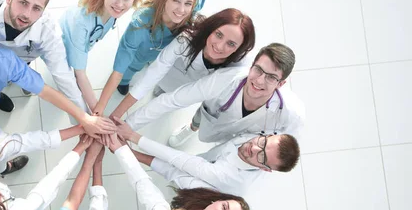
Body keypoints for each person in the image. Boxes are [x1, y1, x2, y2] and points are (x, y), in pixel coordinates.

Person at [124, 43, 305, 147]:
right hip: (210, 113)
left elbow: (285, 146)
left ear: (281, 84)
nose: (259, 81)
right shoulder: (224, 80)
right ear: (251, 66)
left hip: (242, 139)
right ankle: (192, 128)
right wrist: (127, 125)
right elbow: (173, 100)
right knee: (202, 116)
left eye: (271, 77)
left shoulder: (291, 113)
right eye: (258, 70)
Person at [110, 8, 255, 119]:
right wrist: (116, 116)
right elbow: (152, 75)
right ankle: (162, 88)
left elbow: (180, 99)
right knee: (161, 83)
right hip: (171, 72)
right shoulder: (186, 39)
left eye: (231, 44)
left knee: (171, 95)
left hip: (189, 87)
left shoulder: (236, 68)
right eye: (218, 35)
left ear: (239, 49)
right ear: (211, 30)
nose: (220, 47)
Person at [94, 0, 205, 114]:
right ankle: (124, 82)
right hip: (140, 54)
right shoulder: (139, 25)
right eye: (176, 1)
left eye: (188, 3)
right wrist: (100, 108)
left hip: (159, 54)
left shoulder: (191, 11)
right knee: (132, 67)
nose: (182, 10)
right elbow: (118, 70)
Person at [114, 116, 300, 196]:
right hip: (211, 158)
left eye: (262, 157)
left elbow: (180, 162)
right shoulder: (261, 137)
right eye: (263, 142)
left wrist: (132, 142)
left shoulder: (232, 180)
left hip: (203, 184)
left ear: (264, 169)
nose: (254, 149)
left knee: (180, 176)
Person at [59, 0, 142, 112]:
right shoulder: (81, 23)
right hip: (62, 45)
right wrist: (98, 112)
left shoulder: (109, 11)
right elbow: (80, 74)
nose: (120, 4)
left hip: (81, 43)